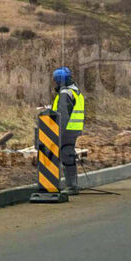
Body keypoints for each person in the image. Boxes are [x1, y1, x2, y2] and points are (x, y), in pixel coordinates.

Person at [51, 67, 85, 195]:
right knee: (68, 154)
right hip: (73, 129)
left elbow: (63, 115)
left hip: (66, 130)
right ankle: (70, 184)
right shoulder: (74, 91)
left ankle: (71, 186)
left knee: (65, 155)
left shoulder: (65, 93)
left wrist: (57, 131)